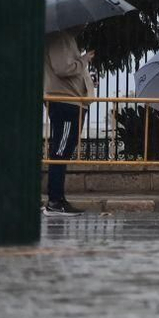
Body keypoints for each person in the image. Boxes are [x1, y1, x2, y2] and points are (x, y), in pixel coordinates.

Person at [43, 29, 93, 215]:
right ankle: (55, 201)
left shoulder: (64, 37)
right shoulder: (60, 37)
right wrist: (84, 60)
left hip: (70, 101)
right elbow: (63, 68)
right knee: (61, 150)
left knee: (62, 150)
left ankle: (57, 199)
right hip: (66, 102)